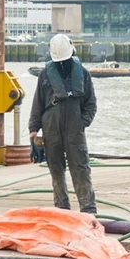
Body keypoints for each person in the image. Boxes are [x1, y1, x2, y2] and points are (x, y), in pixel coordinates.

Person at [28, 34, 98, 214]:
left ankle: (88, 209)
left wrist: (82, 123)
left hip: (75, 128)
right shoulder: (45, 75)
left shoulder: (82, 73)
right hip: (51, 128)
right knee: (56, 169)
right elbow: (38, 103)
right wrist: (33, 129)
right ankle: (61, 209)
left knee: (81, 168)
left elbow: (91, 103)